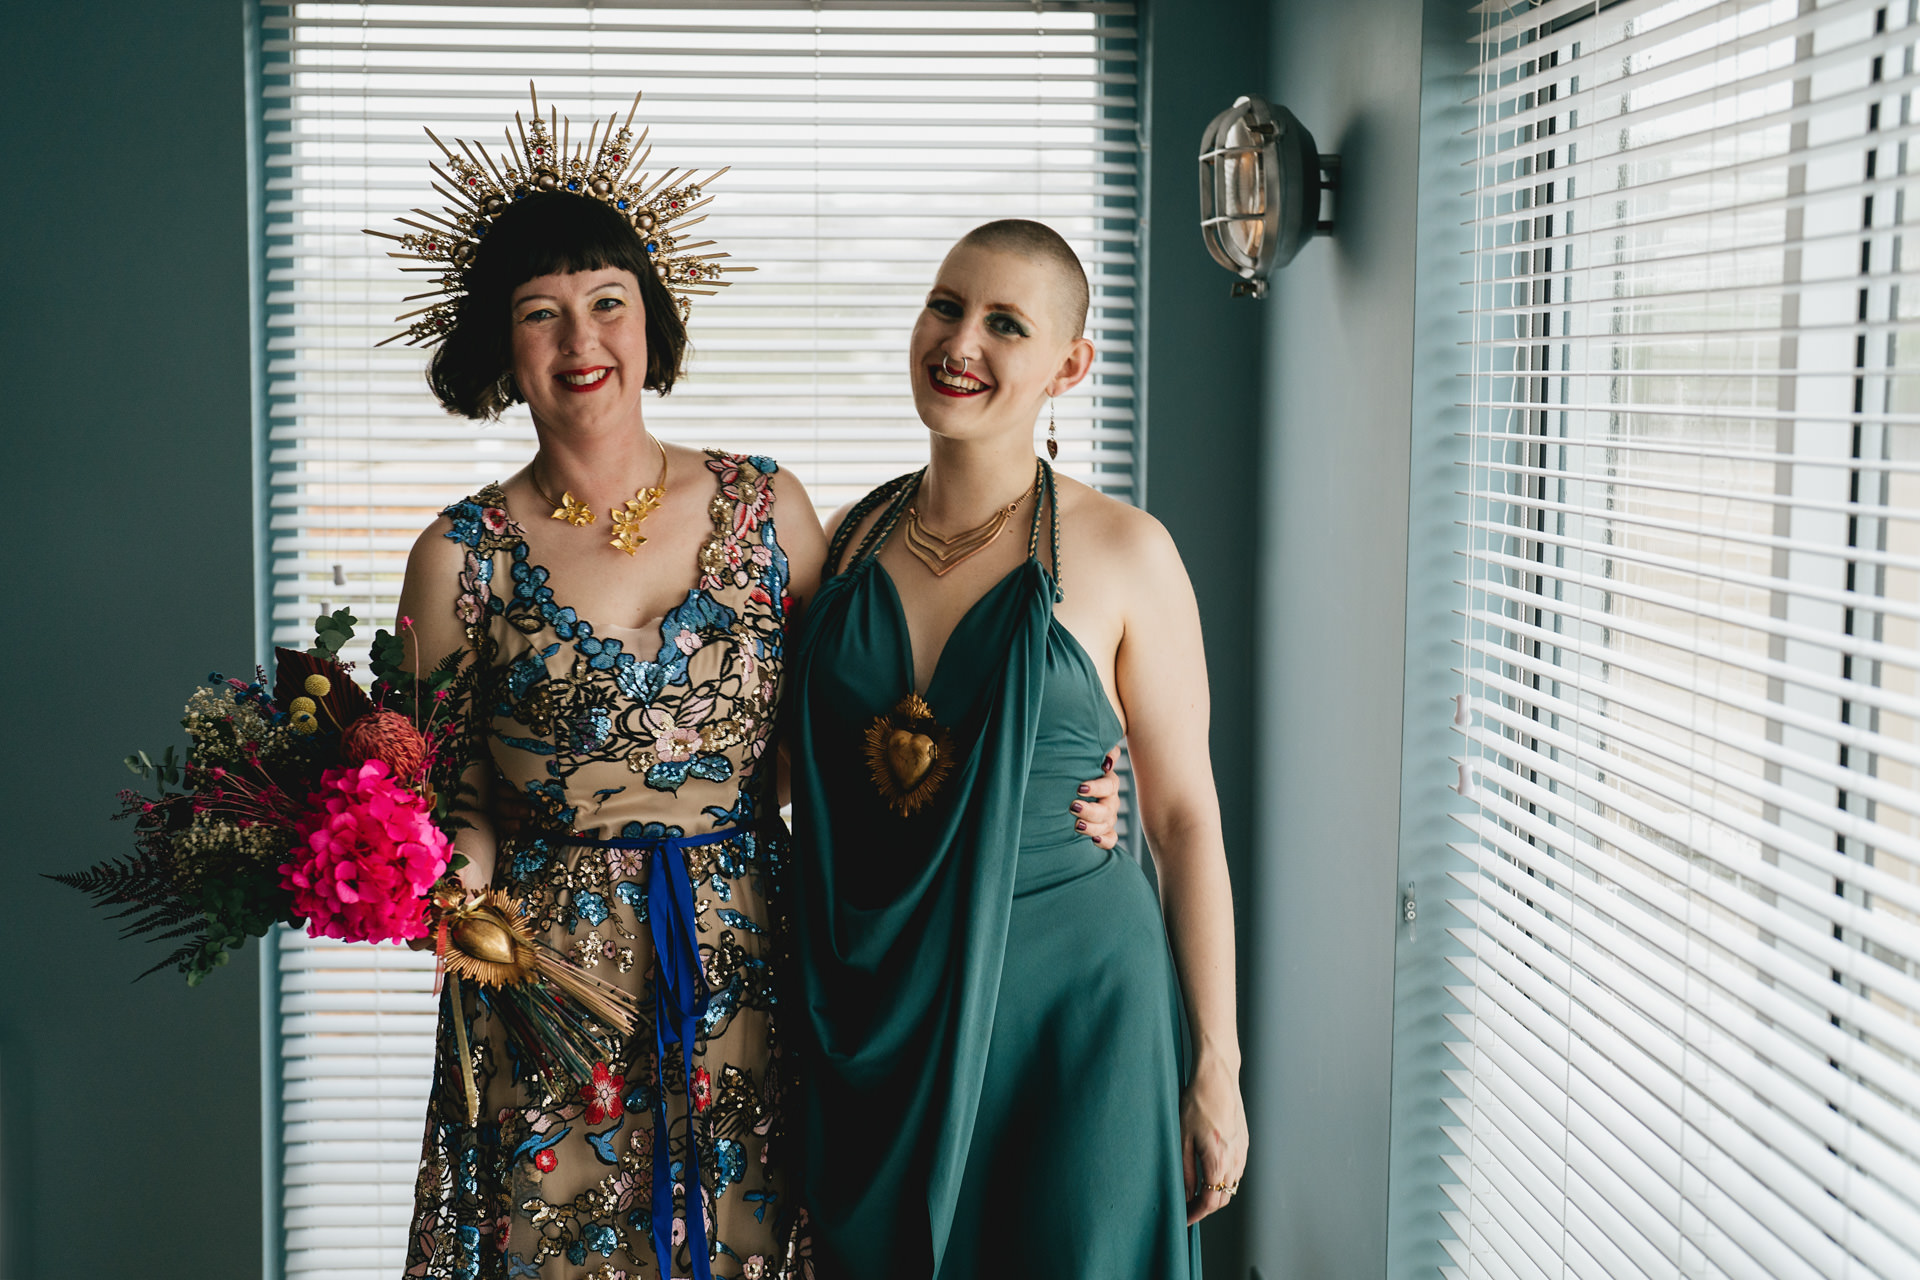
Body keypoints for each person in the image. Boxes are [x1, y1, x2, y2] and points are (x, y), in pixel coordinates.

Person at [380, 96, 1124, 1280]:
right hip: (544, 983)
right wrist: (440, 882)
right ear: (499, 345)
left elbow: (875, 722)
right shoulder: (455, 554)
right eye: (541, 312)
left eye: (608, 301)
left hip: (751, 967)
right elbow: (439, 786)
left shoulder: (765, 508)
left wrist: (1082, 775)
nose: (583, 337)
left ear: (649, 319)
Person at [784, 220, 1248, 1278]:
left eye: (1006, 323)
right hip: (877, 1000)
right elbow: (777, 767)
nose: (962, 343)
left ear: (1069, 365)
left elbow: (1183, 820)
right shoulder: (848, 538)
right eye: (947, 306)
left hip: (1072, 1002)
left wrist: (1216, 1066)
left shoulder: (1128, 549)